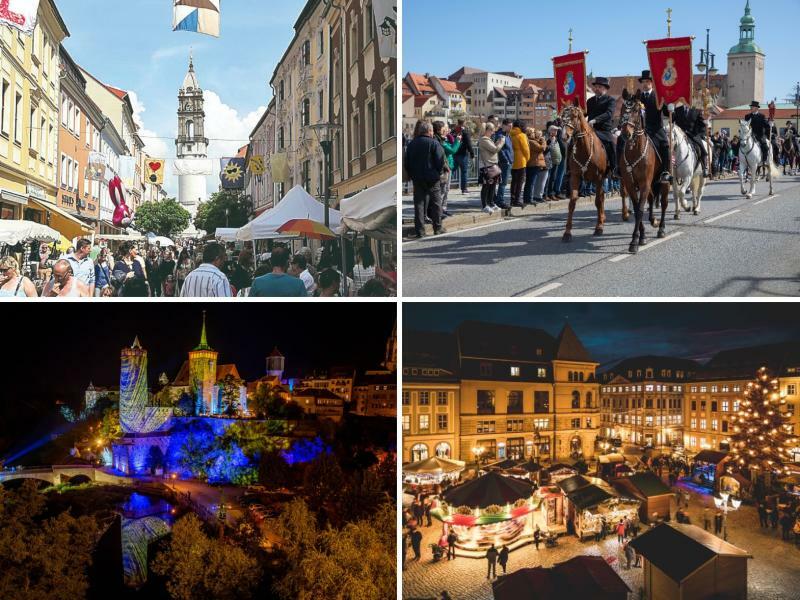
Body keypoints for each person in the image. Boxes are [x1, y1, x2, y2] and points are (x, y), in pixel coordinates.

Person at [405, 120, 446, 237]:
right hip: (432, 178)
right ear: (429, 131)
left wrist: (412, 174)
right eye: (432, 131)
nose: (433, 133)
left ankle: (420, 231)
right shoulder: (434, 143)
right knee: (436, 202)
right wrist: (438, 173)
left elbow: (407, 162)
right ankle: (437, 227)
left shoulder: (412, 144)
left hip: (417, 178)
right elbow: (440, 160)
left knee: (419, 204)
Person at [638, 70, 672, 183]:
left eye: (647, 81)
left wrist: (670, 107)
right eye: (643, 82)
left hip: (656, 129)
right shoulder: (638, 97)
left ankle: (665, 171)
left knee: (665, 145)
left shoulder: (658, 96)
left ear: (652, 83)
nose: (645, 84)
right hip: (641, 129)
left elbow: (667, 113)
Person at [586, 76, 618, 176]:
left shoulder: (610, 100)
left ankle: (614, 169)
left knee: (612, 145)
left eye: (599, 87)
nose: (597, 88)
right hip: (590, 129)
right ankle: (570, 170)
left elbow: (609, 113)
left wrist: (595, 120)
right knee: (574, 141)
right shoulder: (590, 101)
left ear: (605, 88)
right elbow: (584, 113)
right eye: (596, 87)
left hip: (604, 130)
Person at [673, 104, 709, 177]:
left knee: (702, 148)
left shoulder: (696, 109)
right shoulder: (678, 109)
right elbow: (672, 120)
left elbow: (700, 122)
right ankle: (667, 170)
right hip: (680, 134)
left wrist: (705, 122)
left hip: (693, 134)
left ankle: (704, 167)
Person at [433, 121, 460, 217]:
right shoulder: (439, 141)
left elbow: (453, 148)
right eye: (445, 128)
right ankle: (439, 209)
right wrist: (457, 141)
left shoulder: (445, 138)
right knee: (443, 189)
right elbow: (452, 150)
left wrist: (454, 139)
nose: (447, 130)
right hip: (445, 167)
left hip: (449, 166)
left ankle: (443, 208)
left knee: (446, 189)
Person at [478, 123, 505, 213]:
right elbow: (495, 149)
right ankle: (485, 205)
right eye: (492, 130)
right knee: (486, 186)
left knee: (492, 186)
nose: (494, 132)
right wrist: (501, 142)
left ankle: (491, 203)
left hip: (492, 165)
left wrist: (497, 143)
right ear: (487, 130)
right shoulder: (484, 139)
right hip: (487, 166)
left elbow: (493, 149)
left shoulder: (488, 139)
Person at [494, 119, 514, 208]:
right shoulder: (500, 135)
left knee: (503, 182)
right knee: (503, 182)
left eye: (511, 126)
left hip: (508, 161)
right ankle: (500, 200)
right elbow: (500, 150)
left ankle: (497, 199)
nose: (511, 128)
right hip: (503, 162)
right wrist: (506, 160)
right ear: (504, 126)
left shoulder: (508, 135)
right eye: (509, 126)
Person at [744, 100, 771, 165]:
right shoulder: (747, 116)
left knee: (765, 147)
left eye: (752, 107)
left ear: (756, 108)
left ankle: (764, 160)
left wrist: (770, 125)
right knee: (741, 144)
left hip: (760, 135)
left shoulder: (762, 116)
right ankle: (740, 160)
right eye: (751, 107)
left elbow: (766, 125)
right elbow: (745, 126)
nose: (751, 108)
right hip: (749, 135)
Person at [452, 118, 474, 194]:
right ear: (464, 123)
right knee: (464, 172)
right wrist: (472, 153)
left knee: (452, 170)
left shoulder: (454, 131)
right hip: (463, 154)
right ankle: (464, 189)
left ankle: (445, 185)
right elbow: (469, 143)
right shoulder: (465, 132)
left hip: (454, 153)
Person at [545, 125, 563, 200]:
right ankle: (545, 194)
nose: (556, 132)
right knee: (548, 179)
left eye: (556, 130)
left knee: (553, 178)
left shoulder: (556, 139)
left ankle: (551, 193)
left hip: (556, 162)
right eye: (554, 130)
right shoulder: (547, 138)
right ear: (550, 130)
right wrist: (551, 142)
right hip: (549, 162)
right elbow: (546, 150)